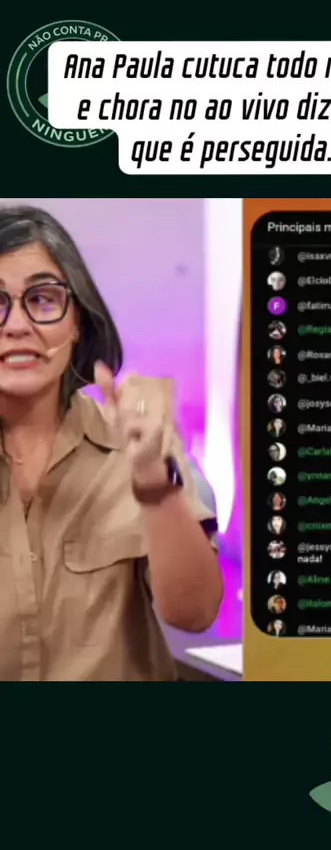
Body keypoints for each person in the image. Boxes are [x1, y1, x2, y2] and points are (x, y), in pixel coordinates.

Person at [0, 205, 223, 682]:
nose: (16, 325)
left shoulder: (138, 438)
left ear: (78, 321)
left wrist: (152, 483)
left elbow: (196, 614)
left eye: (42, 299)